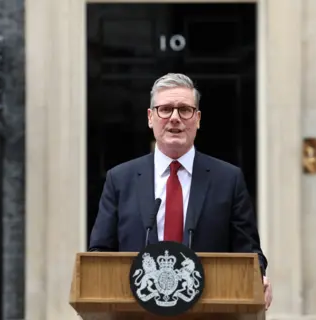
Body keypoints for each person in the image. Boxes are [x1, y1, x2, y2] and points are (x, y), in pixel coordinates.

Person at [89, 73, 273, 309]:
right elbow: (100, 252)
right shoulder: (120, 179)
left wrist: (259, 276)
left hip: (209, 312)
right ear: (150, 117)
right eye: (165, 109)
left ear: (197, 119)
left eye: (184, 110)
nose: (174, 118)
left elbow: (249, 252)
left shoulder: (228, 179)